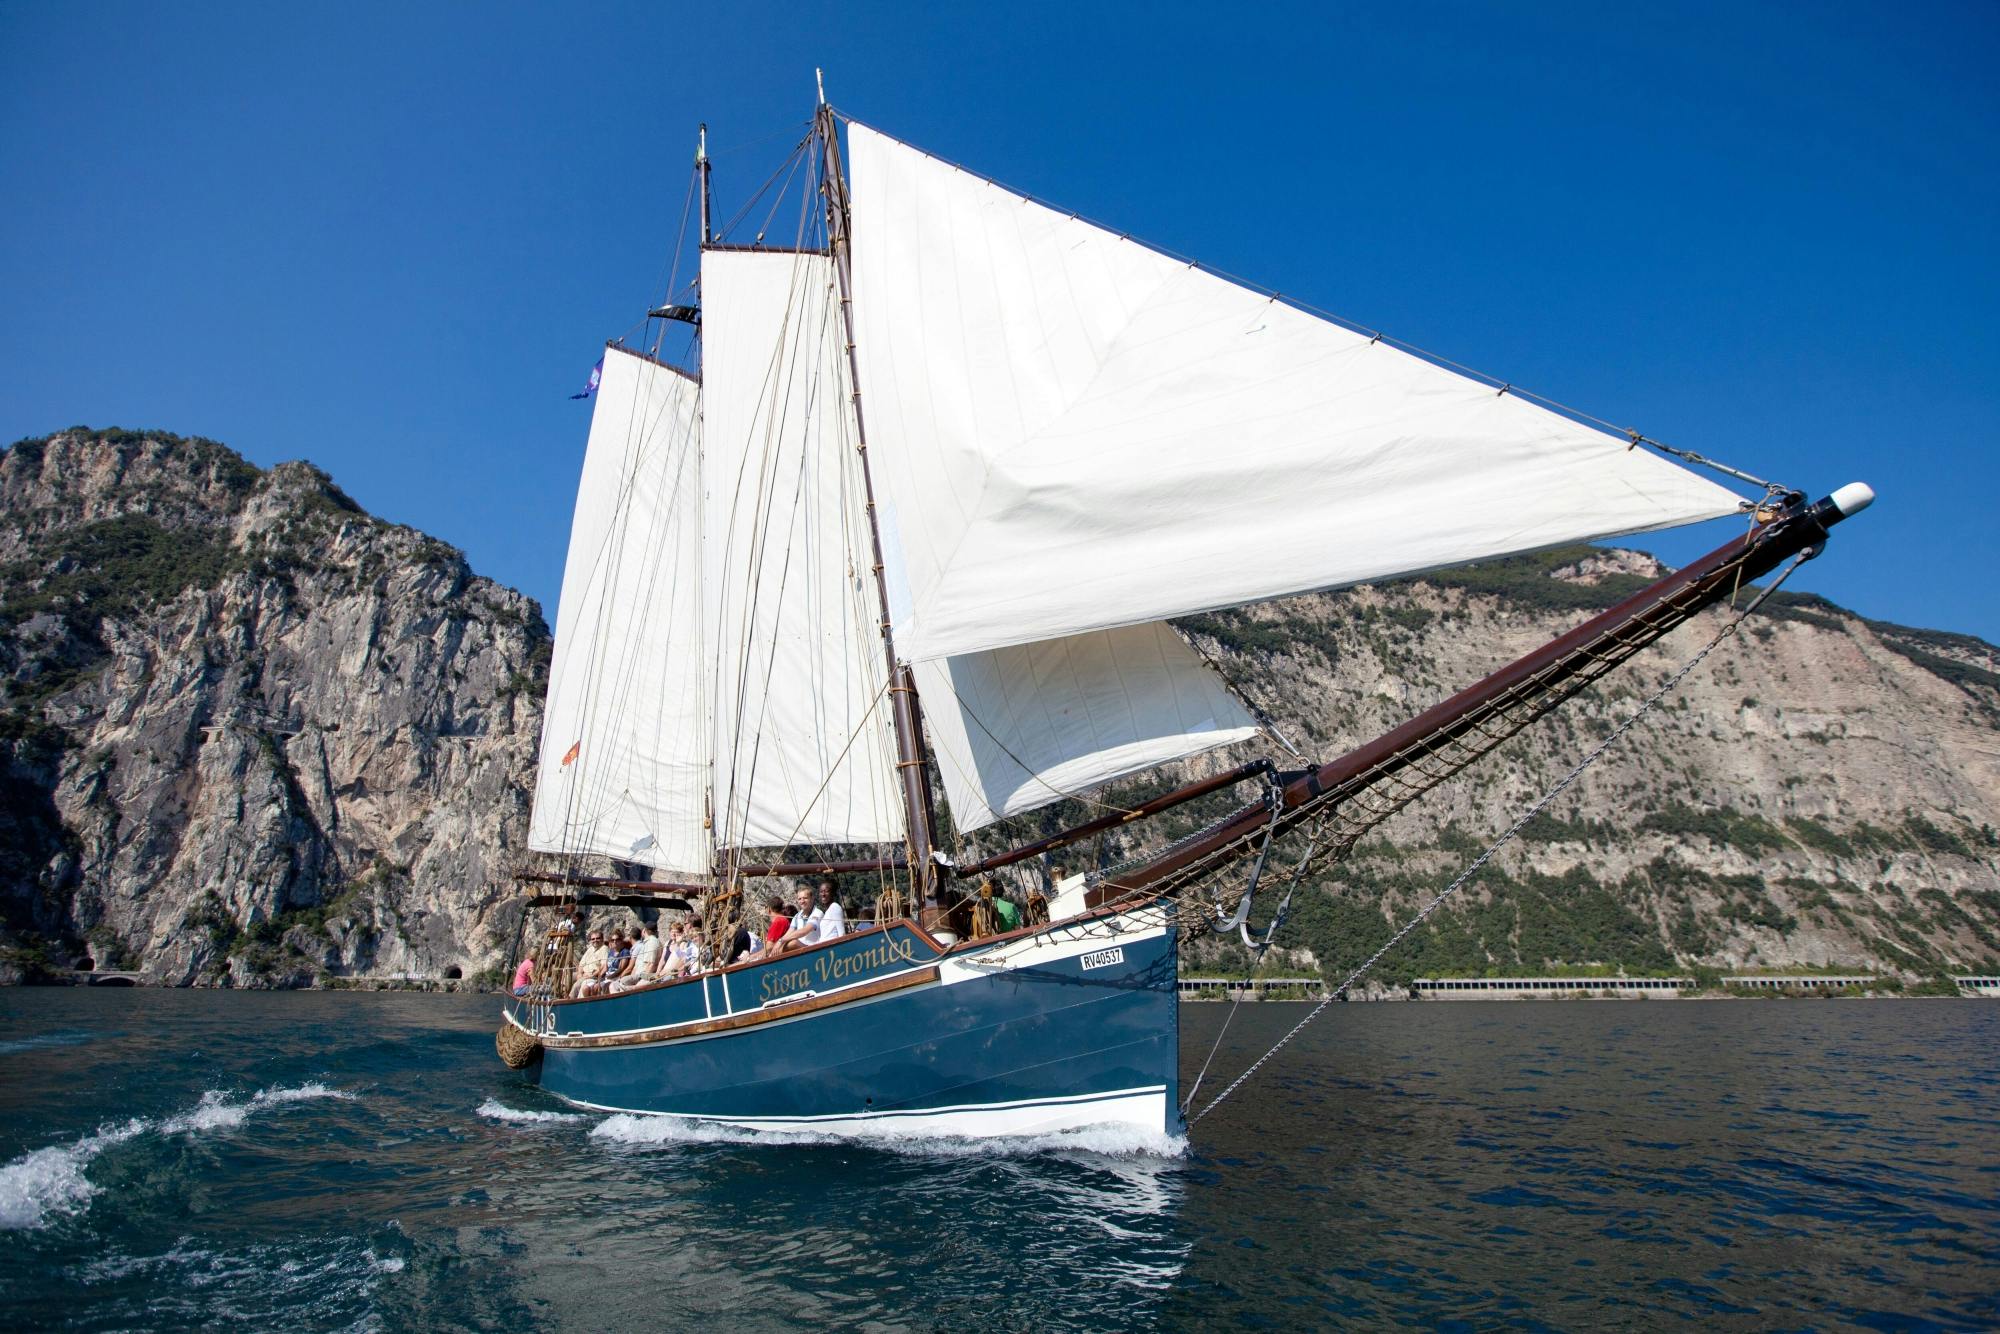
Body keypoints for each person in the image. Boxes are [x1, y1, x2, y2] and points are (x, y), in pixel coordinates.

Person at [772, 884, 820, 953]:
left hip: (814, 949)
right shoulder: (797, 916)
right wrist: (780, 942)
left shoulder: (817, 913)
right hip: (801, 949)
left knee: (793, 943)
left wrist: (781, 940)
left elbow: (805, 930)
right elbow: (789, 933)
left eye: (805, 898)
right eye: (799, 899)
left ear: (812, 898)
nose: (802, 901)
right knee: (781, 946)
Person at [572, 930, 609, 997]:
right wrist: (580, 973)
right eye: (593, 939)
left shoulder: (604, 949)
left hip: (593, 975)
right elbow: (581, 964)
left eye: (598, 938)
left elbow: (603, 966)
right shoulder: (590, 949)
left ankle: (574, 1001)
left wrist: (591, 975)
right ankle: (560, 996)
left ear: (602, 939)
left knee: (579, 985)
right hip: (583, 974)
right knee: (567, 976)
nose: (595, 940)